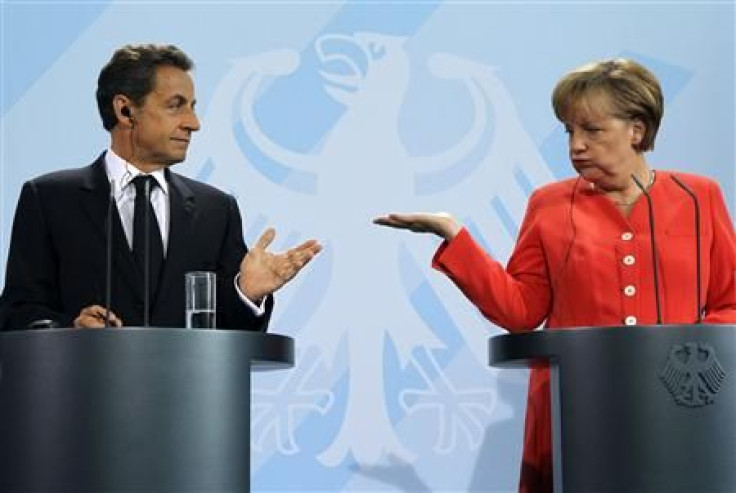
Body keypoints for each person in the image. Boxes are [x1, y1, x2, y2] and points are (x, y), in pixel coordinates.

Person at [374, 58, 736, 492]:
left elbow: (730, 303)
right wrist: (454, 235)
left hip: (677, 410)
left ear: (636, 131)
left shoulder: (699, 197)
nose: (576, 145)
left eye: (592, 130)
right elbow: (520, 310)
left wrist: (679, 357)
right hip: (574, 409)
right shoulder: (548, 204)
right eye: (569, 131)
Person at [0, 43, 321, 330]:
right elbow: (18, 312)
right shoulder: (50, 198)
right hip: (84, 391)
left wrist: (247, 292)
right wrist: (71, 330)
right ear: (125, 110)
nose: (193, 123)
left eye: (192, 106)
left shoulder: (216, 209)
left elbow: (229, 334)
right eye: (176, 105)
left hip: (188, 396)